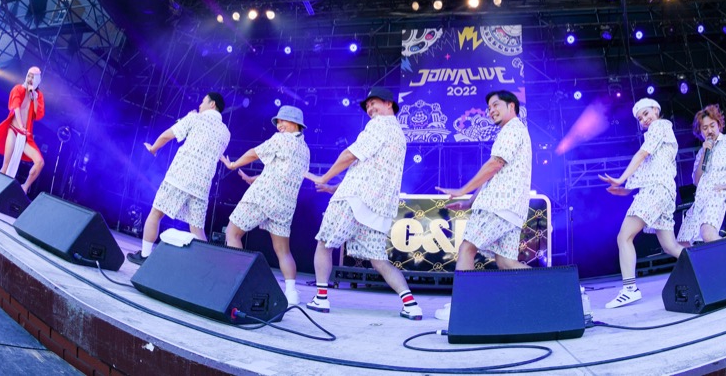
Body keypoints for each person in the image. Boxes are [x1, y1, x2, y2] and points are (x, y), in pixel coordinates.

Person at [304, 86, 423, 320]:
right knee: (379, 260)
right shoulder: (400, 135)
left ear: (389, 104)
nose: (370, 109)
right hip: (377, 207)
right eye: (367, 106)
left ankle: (321, 298)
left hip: (353, 200)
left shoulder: (378, 125)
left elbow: (350, 155)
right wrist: (335, 187)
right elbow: (371, 170)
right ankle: (411, 305)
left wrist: (324, 178)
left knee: (324, 244)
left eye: (373, 103)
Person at [434, 90, 532, 321]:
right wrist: (470, 201)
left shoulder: (512, 129)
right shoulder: (516, 130)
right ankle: (555, 287)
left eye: (496, 105)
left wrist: (463, 189)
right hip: (510, 208)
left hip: (497, 204)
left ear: (511, 106)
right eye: (489, 108)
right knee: (505, 261)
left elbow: (495, 164)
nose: (491, 111)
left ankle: (462, 307)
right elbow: (496, 173)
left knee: (467, 248)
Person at [126, 92, 231, 266]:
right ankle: (205, 269)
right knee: (197, 229)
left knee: (156, 214)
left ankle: (145, 256)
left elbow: (167, 135)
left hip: (180, 177)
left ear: (212, 104)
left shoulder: (195, 118)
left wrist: (153, 149)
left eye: (203, 101)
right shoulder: (226, 133)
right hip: (202, 185)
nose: (200, 105)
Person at [220, 105, 310, 305]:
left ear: (295, 123)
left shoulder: (281, 139)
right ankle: (292, 293)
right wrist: (253, 178)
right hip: (285, 205)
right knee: (283, 251)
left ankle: (239, 283)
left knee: (232, 234)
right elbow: (282, 171)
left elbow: (254, 153)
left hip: (262, 197)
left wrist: (233, 165)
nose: (279, 125)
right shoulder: (305, 150)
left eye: (283, 121)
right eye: (278, 122)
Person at [598, 97, 683, 308]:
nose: (644, 120)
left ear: (656, 109)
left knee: (624, 237)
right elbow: (648, 169)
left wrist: (621, 179)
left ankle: (630, 289)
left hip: (656, 190)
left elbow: (641, 154)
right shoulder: (660, 133)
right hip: (663, 191)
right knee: (670, 246)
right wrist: (626, 190)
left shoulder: (659, 126)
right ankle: (704, 267)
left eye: (646, 114)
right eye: (640, 118)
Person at [677, 104, 726, 245]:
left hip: (717, 194)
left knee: (707, 234)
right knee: (683, 243)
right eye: (705, 128)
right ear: (700, 131)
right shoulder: (701, 152)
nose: (709, 131)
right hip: (700, 199)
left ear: (719, 124)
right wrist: (703, 153)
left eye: (712, 125)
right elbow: (696, 180)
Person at [0, 66, 46, 194]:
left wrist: (34, 98)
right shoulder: (18, 89)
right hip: (14, 130)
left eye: (33, 77)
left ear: (37, 80)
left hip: (26, 136)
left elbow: (38, 115)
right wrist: (21, 126)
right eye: (29, 76)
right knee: (6, 164)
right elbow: (16, 108)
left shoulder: (38, 96)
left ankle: (25, 187)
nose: (30, 79)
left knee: (40, 162)